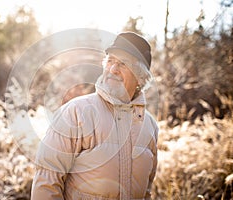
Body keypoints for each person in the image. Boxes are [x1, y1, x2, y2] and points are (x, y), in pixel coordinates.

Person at [31, 31, 159, 200]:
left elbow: (146, 191)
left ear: (140, 77)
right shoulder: (76, 112)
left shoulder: (150, 125)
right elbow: (46, 182)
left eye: (123, 64)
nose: (113, 69)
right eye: (110, 61)